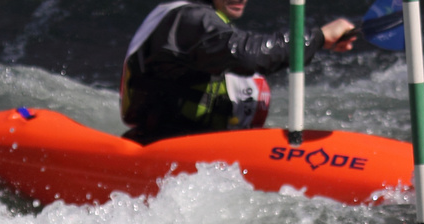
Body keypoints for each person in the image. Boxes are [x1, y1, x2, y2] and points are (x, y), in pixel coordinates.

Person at [120, 0, 357, 144]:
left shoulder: (204, 21)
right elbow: (250, 55)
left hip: (203, 148)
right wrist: (317, 37)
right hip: (166, 145)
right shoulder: (187, 19)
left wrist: (319, 42)